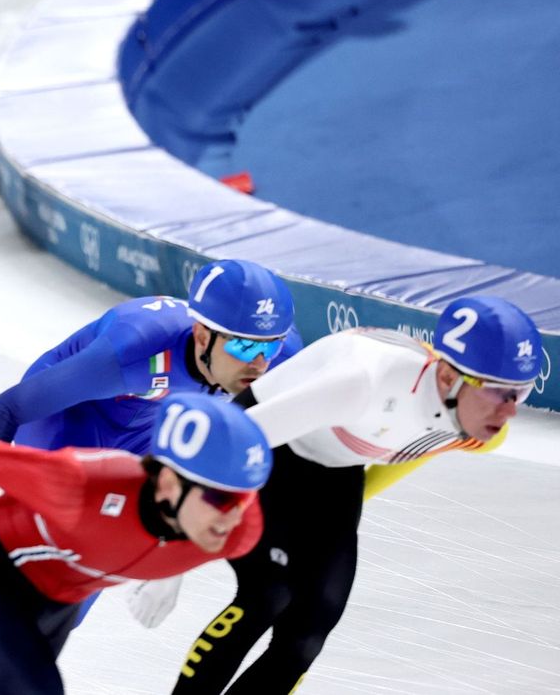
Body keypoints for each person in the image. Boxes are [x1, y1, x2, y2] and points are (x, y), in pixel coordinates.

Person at [0, 258, 301, 694]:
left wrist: (174, 564)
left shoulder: (274, 355)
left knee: (71, 598)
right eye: (247, 349)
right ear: (203, 335)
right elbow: (8, 409)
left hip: (146, 438)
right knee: (35, 566)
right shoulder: (135, 348)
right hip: (66, 422)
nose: (263, 363)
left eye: (272, 345)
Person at [160, 295, 543, 695]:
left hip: (337, 470)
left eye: (522, 391)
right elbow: (227, 443)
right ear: (447, 377)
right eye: (500, 392)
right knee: (268, 595)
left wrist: (340, 517)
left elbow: (415, 449)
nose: (511, 410)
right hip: (265, 445)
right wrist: (172, 544)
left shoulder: (478, 424)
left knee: (308, 631)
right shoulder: (361, 383)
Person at [0, 394, 271, 694]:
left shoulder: (237, 528)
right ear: (167, 483)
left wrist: (174, 568)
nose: (235, 515)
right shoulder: (86, 484)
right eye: (220, 497)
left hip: (52, 603)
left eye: (246, 496)